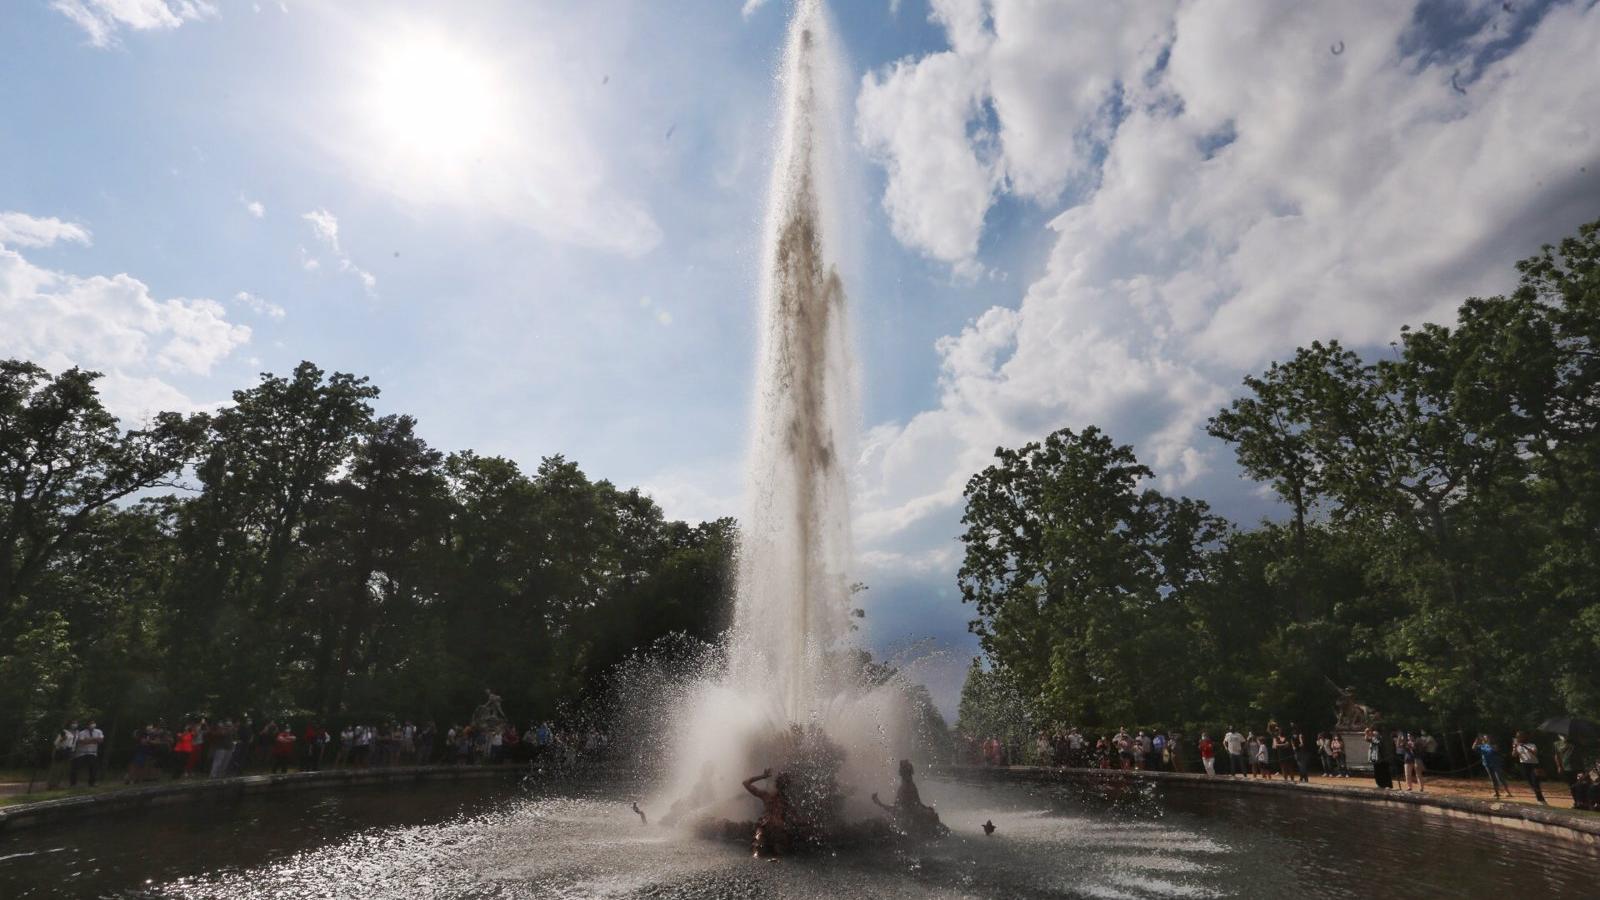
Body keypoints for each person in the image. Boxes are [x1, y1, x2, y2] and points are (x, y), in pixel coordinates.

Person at [871, 759, 949, 839]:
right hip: (914, 819)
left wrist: (879, 804)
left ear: (901, 774)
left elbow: (897, 810)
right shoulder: (912, 786)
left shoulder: (904, 789)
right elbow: (917, 804)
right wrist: (926, 809)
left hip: (908, 823)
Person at [743, 768, 796, 857]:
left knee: (772, 852)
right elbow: (745, 783)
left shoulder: (785, 801)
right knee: (758, 850)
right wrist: (763, 776)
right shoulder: (767, 796)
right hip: (766, 829)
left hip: (774, 832)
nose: (780, 786)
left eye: (783, 784)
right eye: (780, 783)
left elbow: (746, 783)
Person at [1471, 734, 1514, 799]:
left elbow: (1495, 749)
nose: (1485, 739)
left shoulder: (1494, 745)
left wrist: (1487, 743)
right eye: (1485, 738)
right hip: (1487, 764)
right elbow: (1473, 748)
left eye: (1487, 738)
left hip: (1496, 764)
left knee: (1500, 778)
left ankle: (1508, 792)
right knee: (1492, 779)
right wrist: (1476, 740)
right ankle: (1497, 793)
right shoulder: (1482, 746)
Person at [1511, 732, 1547, 804]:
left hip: (1534, 765)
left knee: (1535, 782)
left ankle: (1541, 800)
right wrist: (1514, 748)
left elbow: (1535, 753)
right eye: (1517, 737)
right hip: (1524, 765)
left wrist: (1524, 746)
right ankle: (1540, 798)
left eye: (1520, 737)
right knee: (1531, 783)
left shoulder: (1532, 745)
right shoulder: (1517, 746)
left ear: (1524, 737)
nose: (1518, 738)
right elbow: (1514, 755)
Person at [70, 719, 103, 786]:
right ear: (87, 725)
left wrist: (88, 740)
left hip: (93, 752)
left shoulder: (98, 731)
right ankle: (73, 783)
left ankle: (92, 783)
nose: (92, 725)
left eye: (93, 723)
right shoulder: (82, 732)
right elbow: (82, 742)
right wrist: (94, 739)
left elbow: (100, 740)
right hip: (81, 753)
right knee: (76, 768)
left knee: (93, 768)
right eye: (91, 723)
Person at [48, 721, 76, 789]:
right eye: (73, 723)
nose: (74, 725)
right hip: (60, 750)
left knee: (63, 769)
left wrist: (72, 751)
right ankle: (51, 784)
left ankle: (57, 784)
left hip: (68, 751)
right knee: (56, 768)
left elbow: (73, 743)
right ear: (69, 724)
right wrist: (62, 739)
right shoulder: (64, 732)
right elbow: (56, 743)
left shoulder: (76, 733)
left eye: (76, 723)